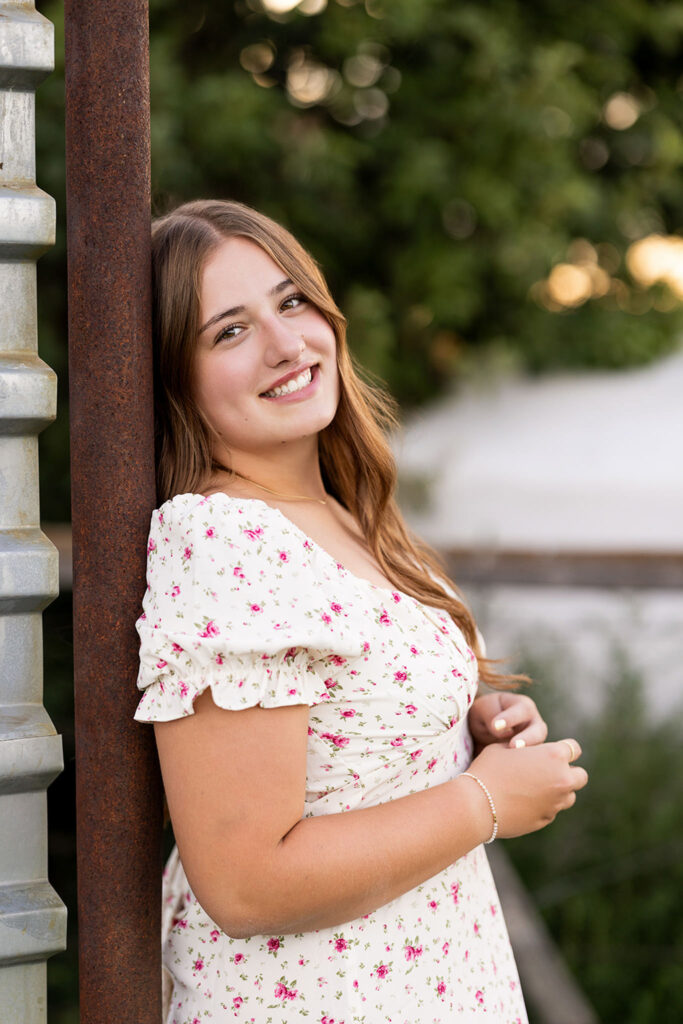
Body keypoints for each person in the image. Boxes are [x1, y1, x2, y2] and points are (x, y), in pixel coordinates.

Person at [135, 199, 588, 1024]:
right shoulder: (222, 537)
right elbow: (243, 883)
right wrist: (483, 802)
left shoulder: (344, 511)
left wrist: (461, 727)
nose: (285, 345)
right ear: (176, 378)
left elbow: (336, 747)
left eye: (292, 301)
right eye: (228, 332)